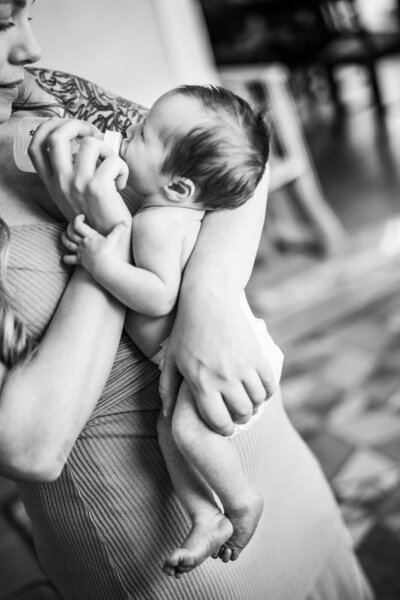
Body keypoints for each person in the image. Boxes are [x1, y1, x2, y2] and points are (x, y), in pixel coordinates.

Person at [0, 2, 374, 599]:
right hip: (151, 540)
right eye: (0, 24)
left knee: (191, 439)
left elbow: (238, 160)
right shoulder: (144, 206)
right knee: (184, 438)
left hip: (254, 435)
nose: (29, 49)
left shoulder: (49, 93)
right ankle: (212, 512)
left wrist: (210, 296)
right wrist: (105, 225)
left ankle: (229, 505)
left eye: (27, 15)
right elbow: (28, 444)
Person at [60, 84, 284, 577]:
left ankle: (242, 502)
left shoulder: (157, 224)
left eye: (139, 135)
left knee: (182, 429)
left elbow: (158, 295)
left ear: (179, 186)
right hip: (199, 355)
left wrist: (101, 263)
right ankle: (206, 515)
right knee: (170, 430)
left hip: (221, 359)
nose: (126, 131)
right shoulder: (176, 212)